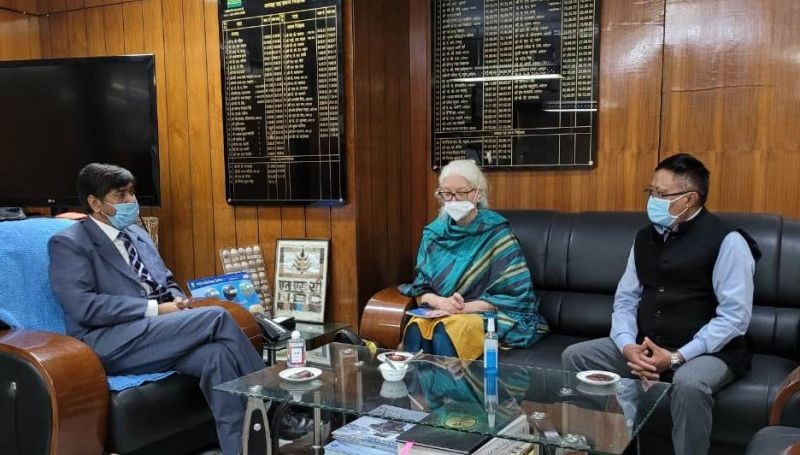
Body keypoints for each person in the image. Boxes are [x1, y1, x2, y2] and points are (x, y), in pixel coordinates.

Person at [49, 163, 264, 455]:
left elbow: (167, 280)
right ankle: (275, 400)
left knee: (217, 355)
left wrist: (179, 303)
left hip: (156, 333)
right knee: (216, 316)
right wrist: (156, 309)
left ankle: (242, 449)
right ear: (95, 203)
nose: (131, 201)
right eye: (121, 195)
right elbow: (83, 307)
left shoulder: (137, 234)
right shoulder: (69, 243)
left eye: (131, 192)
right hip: (109, 341)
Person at [562, 153, 760, 455]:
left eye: (660, 194)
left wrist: (677, 357)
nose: (652, 200)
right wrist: (628, 346)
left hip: (707, 351)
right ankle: (607, 446)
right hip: (646, 345)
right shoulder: (644, 238)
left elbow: (734, 318)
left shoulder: (729, 241)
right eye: (651, 191)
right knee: (577, 357)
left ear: (689, 199)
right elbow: (626, 299)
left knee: (690, 385)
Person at [400, 159, 548, 360]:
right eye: (447, 193)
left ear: (478, 193)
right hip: (440, 309)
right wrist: (442, 302)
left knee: (446, 332)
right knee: (415, 329)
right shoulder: (433, 234)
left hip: (479, 313)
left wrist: (463, 308)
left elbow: (514, 296)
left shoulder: (497, 234)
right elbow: (421, 290)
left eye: (461, 193)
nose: (453, 200)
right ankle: (416, 381)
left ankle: (453, 381)